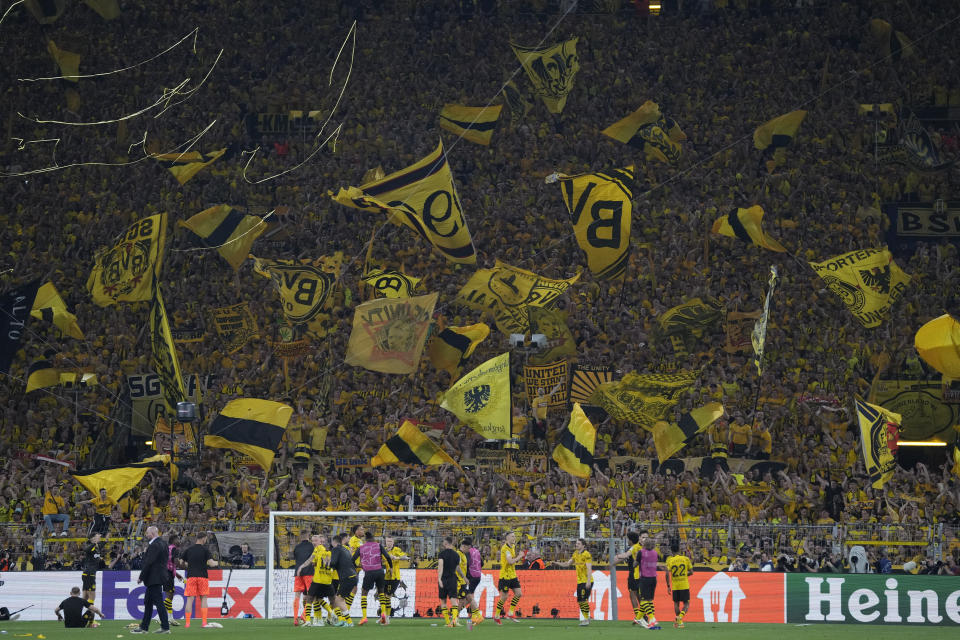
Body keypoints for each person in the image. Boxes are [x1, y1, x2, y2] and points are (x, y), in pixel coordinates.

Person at [131, 525, 170, 634]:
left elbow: (149, 562)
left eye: (147, 533)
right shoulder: (163, 544)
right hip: (159, 576)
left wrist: (141, 576)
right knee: (148, 603)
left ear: (152, 533)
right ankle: (144, 627)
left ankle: (165, 627)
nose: (146, 535)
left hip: (154, 578)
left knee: (158, 603)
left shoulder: (154, 545)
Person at [352, 530, 393, 625]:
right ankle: (383, 614)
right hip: (379, 571)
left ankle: (364, 617)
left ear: (365, 539)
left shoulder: (361, 547)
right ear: (373, 538)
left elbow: (352, 559)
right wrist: (390, 568)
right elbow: (387, 557)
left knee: (364, 593)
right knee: (381, 592)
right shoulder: (379, 545)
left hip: (369, 572)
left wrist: (358, 566)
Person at [180, 531, 218, 629]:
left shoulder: (189, 550)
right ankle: (204, 623)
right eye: (206, 539)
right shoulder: (205, 550)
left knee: (189, 600)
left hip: (191, 576)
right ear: (203, 538)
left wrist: (188, 565)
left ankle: (187, 624)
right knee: (203, 599)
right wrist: (217, 563)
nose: (206, 541)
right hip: (202, 577)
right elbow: (211, 563)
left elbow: (181, 562)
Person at [296, 533, 336, 627]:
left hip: (318, 579)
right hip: (328, 580)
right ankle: (328, 615)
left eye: (316, 541)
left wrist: (301, 567)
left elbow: (311, 560)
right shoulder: (330, 551)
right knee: (324, 599)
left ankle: (309, 620)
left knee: (310, 598)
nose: (314, 543)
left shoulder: (318, 549)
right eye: (313, 541)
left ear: (321, 542)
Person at [553, 538, 593, 626]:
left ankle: (587, 619)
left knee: (583, 600)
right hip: (580, 581)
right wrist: (557, 563)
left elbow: (589, 568)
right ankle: (587, 618)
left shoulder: (587, 554)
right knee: (580, 600)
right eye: (576, 543)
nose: (576, 545)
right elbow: (567, 564)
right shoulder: (575, 554)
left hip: (586, 580)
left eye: (578, 544)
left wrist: (588, 581)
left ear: (583, 545)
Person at [614, 530, 645, 626]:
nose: (627, 541)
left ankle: (638, 617)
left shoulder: (632, 548)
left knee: (633, 595)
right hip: (642, 575)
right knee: (640, 597)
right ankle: (643, 616)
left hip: (633, 574)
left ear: (631, 540)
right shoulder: (641, 547)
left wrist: (616, 557)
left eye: (628, 539)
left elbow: (625, 556)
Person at [329, 533, 359, 626]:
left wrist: (327, 564)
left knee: (338, 600)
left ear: (334, 542)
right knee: (340, 599)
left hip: (347, 577)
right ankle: (343, 620)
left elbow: (333, 563)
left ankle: (349, 622)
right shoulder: (345, 549)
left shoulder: (335, 549)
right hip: (353, 576)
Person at [494, 531, 523, 624]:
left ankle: (510, 613)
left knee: (518, 593)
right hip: (505, 576)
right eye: (512, 536)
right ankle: (497, 615)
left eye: (514, 536)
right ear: (507, 538)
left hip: (512, 575)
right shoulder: (505, 549)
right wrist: (520, 556)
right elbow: (510, 561)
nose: (514, 538)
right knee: (504, 597)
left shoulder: (513, 546)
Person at [664, 541, 692, 629]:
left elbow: (667, 573)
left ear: (671, 551)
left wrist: (668, 586)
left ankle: (679, 622)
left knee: (676, 604)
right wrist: (684, 574)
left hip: (675, 585)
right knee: (686, 604)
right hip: (684, 585)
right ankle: (680, 617)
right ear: (679, 550)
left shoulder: (670, 560)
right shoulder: (685, 559)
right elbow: (691, 572)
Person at [437, 536, 463, 628]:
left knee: (443, 601)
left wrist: (439, 579)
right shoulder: (457, 555)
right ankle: (454, 621)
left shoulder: (441, 554)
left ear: (446, 543)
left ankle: (448, 622)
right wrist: (463, 576)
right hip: (452, 578)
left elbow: (441, 566)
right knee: (454, 600)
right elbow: (457, 567)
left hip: (443, 578)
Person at [383, 534, 409, 623]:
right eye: (387, 541)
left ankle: (387, 617)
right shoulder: (383, 550)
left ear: (393, 542)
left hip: (395, 577)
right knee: (384, 597)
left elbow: (406, 557)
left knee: (388, 597)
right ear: (385, 542)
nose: (389, 543)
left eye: (390, 541)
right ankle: (384, 616)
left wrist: (396, 557)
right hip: (385, 577)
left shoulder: (396, 550)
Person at [638, 537, 661, 630]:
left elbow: (637, 563)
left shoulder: (641, 552)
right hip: (650, 578)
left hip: (644, 578)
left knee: (645, 600)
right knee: (647, 600)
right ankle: (645, 618)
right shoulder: (655, 553)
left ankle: (647, 618)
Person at [459, 537, 484, 626]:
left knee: (468, 596)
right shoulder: (476, 551)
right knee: (469, 596)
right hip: (478, 576)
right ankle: (474, 617)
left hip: (471, 576)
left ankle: (456, 612)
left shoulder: (468, 552)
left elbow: (467, 562)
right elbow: (482, 563)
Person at [292, 536, 316, 625]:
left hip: (298, 573)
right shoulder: (312, 546)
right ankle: (304, 614)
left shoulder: (297, 547)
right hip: (309, 572)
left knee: (297, 596)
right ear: (308, 537)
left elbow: (295, 558)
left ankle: (295, 618)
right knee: (311, 595)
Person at [163, 534, 184, 626]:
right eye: (178, 539)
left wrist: (177, 574)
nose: (179, 541)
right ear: (173, 540)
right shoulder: (175, 549)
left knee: (169, 597)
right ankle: (164, 616)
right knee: (169, 597)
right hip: (168, 574)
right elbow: (176, 562)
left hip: (166, 573)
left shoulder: (168, 548)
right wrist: (185, 566)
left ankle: (169, 618)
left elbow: (169, 564)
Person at [81, 533, 102, 602]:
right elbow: (86, 550)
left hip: (88, 573)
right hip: (89, 573)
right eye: (97, 536)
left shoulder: (96, 547)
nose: (99, 537)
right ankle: (90, 612)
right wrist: (94, 543)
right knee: (92, 596)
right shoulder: (90, 545)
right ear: (92, 538)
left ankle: (78, 609)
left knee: (85, 597)